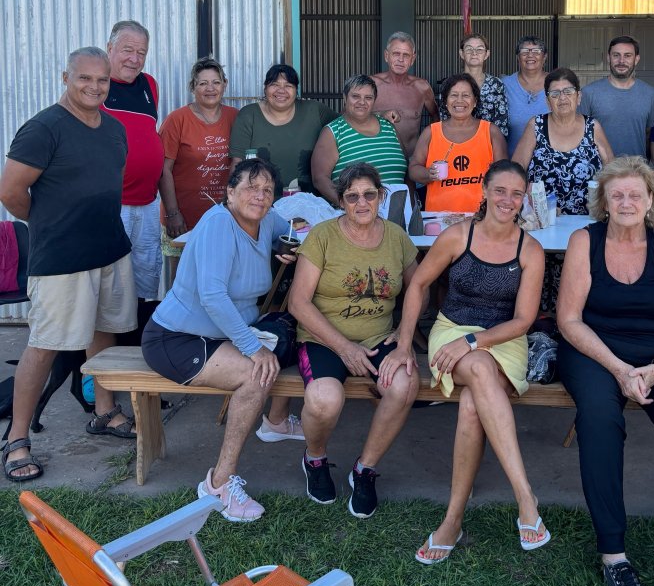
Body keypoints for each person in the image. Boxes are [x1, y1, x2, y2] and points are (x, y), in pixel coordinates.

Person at [556, 156, 654, 586]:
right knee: (599, 422)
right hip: (594, 349)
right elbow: (569, 320)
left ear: (650, 201)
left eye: (635, 194)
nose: (626, 201)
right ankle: (614, 556)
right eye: (617, 194)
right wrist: (621, 370)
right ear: (604, 201)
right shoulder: (584, 241)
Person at [387, 160, 549, 563]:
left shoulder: (530, 249)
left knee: (474, 403)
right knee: (477, 367)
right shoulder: (458, 235)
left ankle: (453, 519)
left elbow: (523, 320)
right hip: (451, 330)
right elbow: (420, 283)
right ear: (484, 191)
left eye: (516, 193)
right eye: (500, 191)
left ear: (524, 198)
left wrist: (474, 341)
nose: (507, 200)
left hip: (504, 339)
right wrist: (406, 344)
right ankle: (525, 498)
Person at [1, 48, 137, 482]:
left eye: (102, 80)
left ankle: (103, 410)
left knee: (104, 334)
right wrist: (47, 222)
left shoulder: (114, 130)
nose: (94, 87)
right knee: (44, 345)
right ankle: (17, 439)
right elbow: (10, 192)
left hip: (110, 250)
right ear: (66, 76)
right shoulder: (44, 129)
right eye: (84, 78)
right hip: (61, 260)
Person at [142, 159, 296, 521]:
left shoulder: (266, 220)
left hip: (219, 335)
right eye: (250, 188)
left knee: (290, 339)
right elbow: (212, 297)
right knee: (255, 373)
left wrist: (292, 246)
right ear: (229, 192)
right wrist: (252, 347)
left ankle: (275, 422)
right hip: (177, 338)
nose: (259, 196)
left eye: (267, 190)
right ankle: (219, 484)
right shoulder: (218, 225)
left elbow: (292, 230)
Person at [288, 163, 420, 518]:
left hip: (379, 335)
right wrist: (344, 347)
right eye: (352, 196)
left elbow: (417, 289)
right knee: (323, 400)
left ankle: (364, 469)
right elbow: (297, 302)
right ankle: (315, 458)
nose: (361, 203)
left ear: (381, 196)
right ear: (341, 202)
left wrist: (404, 341)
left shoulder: (396, 237)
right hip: (324, 337)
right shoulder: (323, 236)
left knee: (404, 384)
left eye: (369, 194)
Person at [101, 20, 164, 320]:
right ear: (109, 48)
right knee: (110, 282)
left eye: (141, 52)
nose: (134, 59)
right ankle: (100, 356)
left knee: (146, 277)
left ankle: (138, 346)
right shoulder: (96, 85)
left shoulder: (150, 84)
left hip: (149, 203)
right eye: (127, 50)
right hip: (113, 204)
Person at [158, 58, 238, 279]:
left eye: (215, 82)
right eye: (202, 83)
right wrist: (173, 214)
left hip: (223, 218)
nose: (210, 88)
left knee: (219, 279)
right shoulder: (177, 120)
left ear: (225, 84)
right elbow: (163, 170)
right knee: (182, 281)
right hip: (183, 218)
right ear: (193, 87)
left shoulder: (235, 117)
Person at [512, 67, 612, 216]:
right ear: (547, 101)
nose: (562, 98)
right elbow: (515, 170)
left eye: (568, 91)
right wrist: (531, 200)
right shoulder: (536, 125)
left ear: (578, 97)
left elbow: (612, 169)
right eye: (555, 93)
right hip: (543, 218)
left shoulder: (593, 126)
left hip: (587, 219)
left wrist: (603, 202)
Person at [229, 64, 336, 196]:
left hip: (311, 204)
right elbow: (237, 163)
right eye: (275, 84)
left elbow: (345, 126)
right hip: (261, 204)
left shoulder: (315, 111)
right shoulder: (248, 115)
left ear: (296, 91)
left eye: (288, 86)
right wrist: (232, 200)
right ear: (265, 89)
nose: (281, 90)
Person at [409, 74, 507, 212]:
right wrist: (428, 174)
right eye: (454, 95)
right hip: (439, 218)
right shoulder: (431, 132)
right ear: (445, 101)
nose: (459, 101)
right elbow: (413, 169)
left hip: (483, 217)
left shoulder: (491, 132)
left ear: (475, 101)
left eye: (466, 95)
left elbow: (505, 174)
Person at [311, 74, 407, 207]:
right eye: (355, 96)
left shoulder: (389, 127)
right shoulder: (333, 132)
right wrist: (347, 205)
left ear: (374, 100)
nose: (362, 102)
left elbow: (407, 173)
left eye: (368, 97)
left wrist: (412, 206)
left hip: (396, 216)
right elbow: (320, 179)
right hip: (353, 219)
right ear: (345, 98)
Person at [579, 36, 654, 159]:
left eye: (627, 55)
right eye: (616, 55)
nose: (621, 61)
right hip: (601, 172)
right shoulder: (588, 93)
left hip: (636, 170)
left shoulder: (649, 93)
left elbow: (648, 134)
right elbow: (580, 134)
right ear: (608, 57)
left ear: (636, 59)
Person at [372, 31, 438, 159]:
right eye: (396, 54)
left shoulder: (422, 87)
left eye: (406, 55)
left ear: (412, 59)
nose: (400, 60)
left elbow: (436, 117)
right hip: (378, 160)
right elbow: (347, 117)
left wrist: (427, 146)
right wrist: (380, 114)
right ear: (386, 56)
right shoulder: (372, 85)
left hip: (412, 161)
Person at [439, 33, 509, 138]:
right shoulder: (449, 84)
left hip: (488, 143)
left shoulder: (496, 84)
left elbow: (501, 123)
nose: (474, 53)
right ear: (461, 53)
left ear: (487, 54)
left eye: (479, 49)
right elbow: (444, 119)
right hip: (457, 141)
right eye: (469, 49)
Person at [502, 36, 549, 156]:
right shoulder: (504, 84)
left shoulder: (556, 84)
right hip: (513, 163)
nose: (530, 55)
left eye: (536, 51)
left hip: (550, 164)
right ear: (518, 57)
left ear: (544, 57)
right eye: (524, 51)